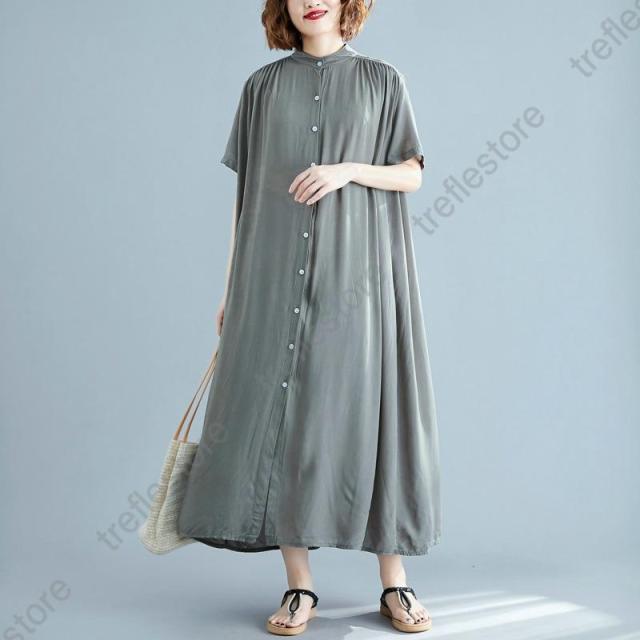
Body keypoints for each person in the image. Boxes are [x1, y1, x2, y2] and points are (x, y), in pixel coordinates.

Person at [176, 0, 441, 635]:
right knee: (283, 418)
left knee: (372, 414)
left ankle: (395, 582)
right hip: (270, 279)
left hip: (361, 276)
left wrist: (348, 170)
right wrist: (231, 287)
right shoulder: (261, 88)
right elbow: (246, 198)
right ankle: (300, 585)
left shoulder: (382, 80)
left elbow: (412, 175)